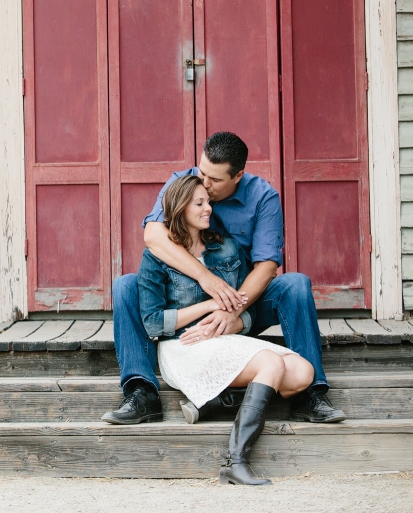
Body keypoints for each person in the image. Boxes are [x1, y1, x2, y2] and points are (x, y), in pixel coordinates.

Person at [102, 132, 345, 426]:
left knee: (294, 285)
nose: (204, 183)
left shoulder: (262, 197)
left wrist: (232, 310)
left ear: (238, 175)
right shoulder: (184, 183)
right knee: (126, 286)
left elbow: (267, 266)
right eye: (201, 171)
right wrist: (207, 280)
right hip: (187, 299)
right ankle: (141, 392)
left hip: (242, 297)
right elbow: (153, 235)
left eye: (214, 180)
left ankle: (309, 395)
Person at [136, 174, 314, 485]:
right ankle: (236, 460)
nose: (209, 209)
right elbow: (152, 322)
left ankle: (214, 401)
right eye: (200, 203)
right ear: (180, 208)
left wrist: (235, 321)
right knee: (272, 363)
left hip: (225, 340)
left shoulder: (227, 249)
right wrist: (208, 307)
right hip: (184, 346)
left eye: (208, 202)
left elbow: (249, 308)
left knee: (302, 372)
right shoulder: (156, 256)